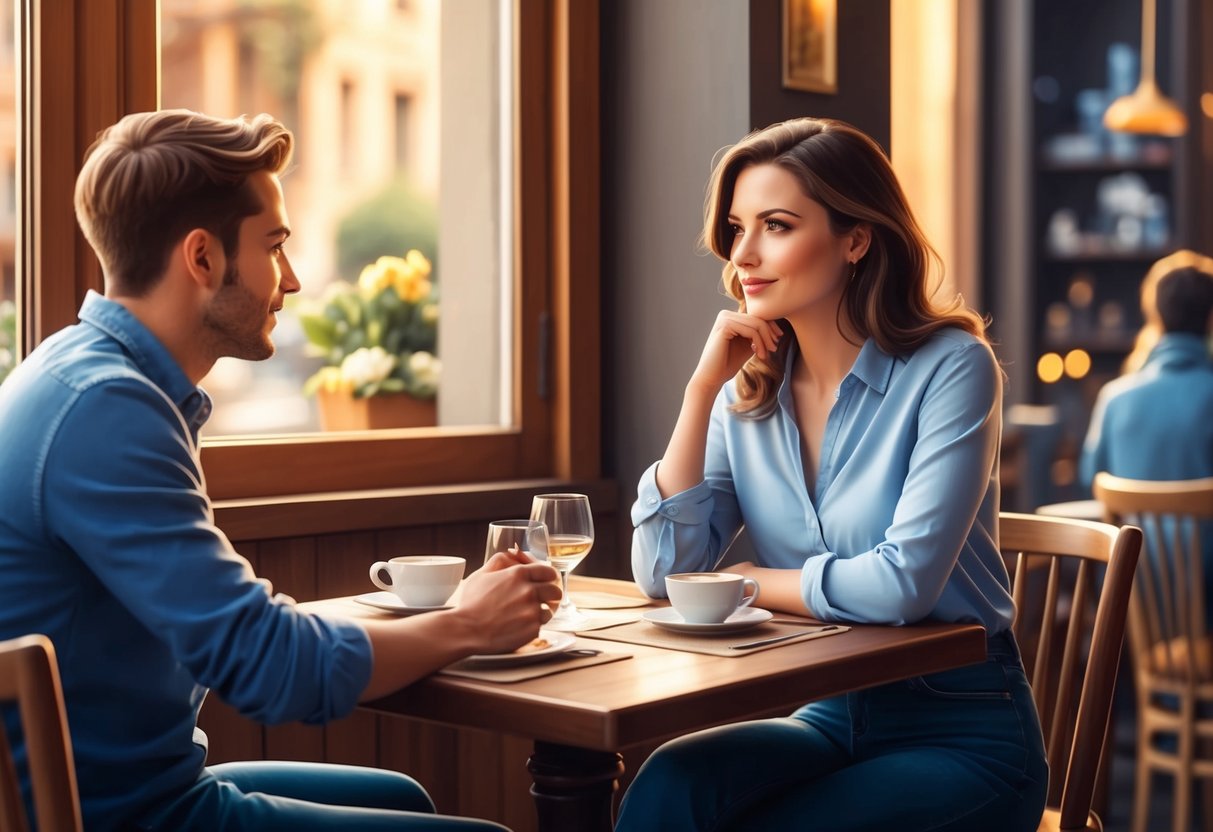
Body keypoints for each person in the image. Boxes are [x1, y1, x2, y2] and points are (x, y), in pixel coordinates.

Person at [0, 109, 562, 831]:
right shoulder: (108, 410)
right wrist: (464, 625)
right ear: (201, 259)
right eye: (275, 246)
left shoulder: (80, 374)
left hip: (134, 785)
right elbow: (268, 668)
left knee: (405, 799)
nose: (292, 280)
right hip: (115, 817)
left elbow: (240, 632)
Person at [615, 117, 1048, 832]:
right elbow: (663, 571)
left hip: (963, 729)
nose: (743, 255)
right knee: (670, 783)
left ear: (855, 238)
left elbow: (902, 585)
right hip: (826, 713)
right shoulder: (742, 393)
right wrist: (698, 393)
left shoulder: (950, 368)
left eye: (776, 226)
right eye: (736, 227)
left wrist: (745, 582)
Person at [1080, 249, 1213, 487]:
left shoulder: (1114, 398)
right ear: (1210, 318)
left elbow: (1090, 479)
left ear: (1156, 317)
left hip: (1131, 525)